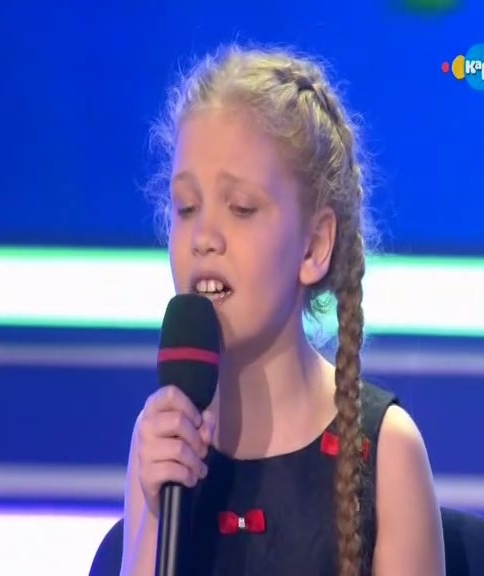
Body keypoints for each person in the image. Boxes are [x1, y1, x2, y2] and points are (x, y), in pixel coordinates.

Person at [103, 43, 445, 576]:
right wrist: (152, 513)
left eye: (241, 209)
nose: (203, 237)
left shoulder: (386, 452)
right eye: (186, 208)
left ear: (314, 246)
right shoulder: (161, 443)